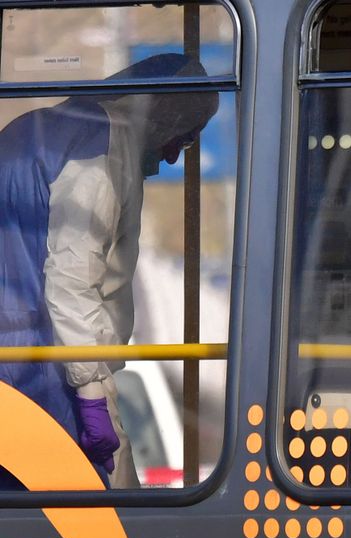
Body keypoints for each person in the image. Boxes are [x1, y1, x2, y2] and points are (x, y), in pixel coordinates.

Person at [0, 54, 219, 489]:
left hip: (16, 369)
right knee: (107, 526)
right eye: (186, 137)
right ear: (161, 115)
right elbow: (70, 284)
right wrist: (91, 397)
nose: (175, 157)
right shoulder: (100, 149)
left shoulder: (36, 128)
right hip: (49, 372)